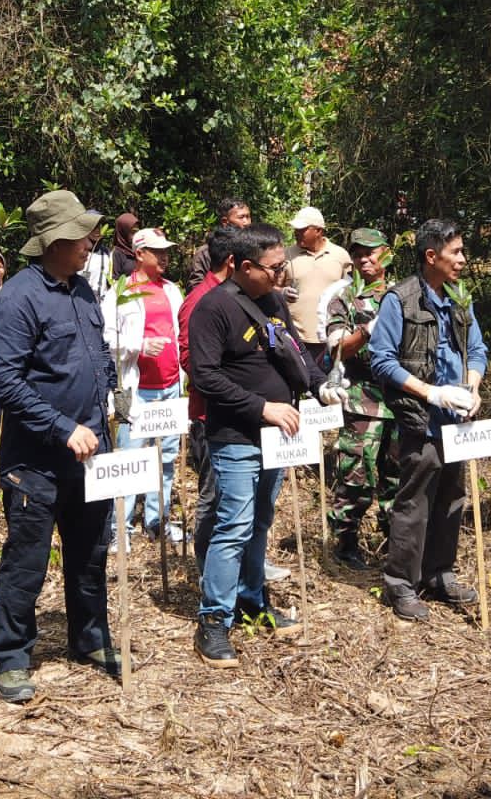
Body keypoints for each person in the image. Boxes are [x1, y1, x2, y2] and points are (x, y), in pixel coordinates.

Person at [0, 190, 119, 704]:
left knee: (90, 554)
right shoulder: (18, 298)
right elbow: (4, 382)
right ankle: (11, 658)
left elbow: (98, 353)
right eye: (81, 235)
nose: (90, 242)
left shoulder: (83, 291)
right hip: (35, 462)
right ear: (53, 241)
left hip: (92, 452)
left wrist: (109, 398)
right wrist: (62, 426)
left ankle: (90, 640)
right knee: (27, 561)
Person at [189, 223, 326, 667]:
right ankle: (213, 620)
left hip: (277, 437)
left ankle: (252, 601)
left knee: (261, 520)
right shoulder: (212, 309)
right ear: (244, 266)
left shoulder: (270, 301)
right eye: (273, 268)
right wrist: (261, 407)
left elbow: (294, 350)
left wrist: (322, 386)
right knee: (234, 523)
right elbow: (206, 376)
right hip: (235, 436)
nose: (281, 275)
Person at [367, 220, 486, 619]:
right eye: (456, 252)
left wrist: (472, 387)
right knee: (415, 503)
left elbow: (477, 349)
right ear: (431, 256)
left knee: (453, 497)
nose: (463, 260)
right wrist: (431, 392)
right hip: (421, 419)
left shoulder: (460, 299)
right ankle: (401, 583)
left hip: (458, 420)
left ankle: (440, 573)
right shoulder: (399, 300)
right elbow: (381, 361)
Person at [319, 228, 402, 571]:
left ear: (386, 253)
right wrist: (368, 330)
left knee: (397, 475)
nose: (365, 259)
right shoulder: (343, 298)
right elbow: (337, 349)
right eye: (358, 254)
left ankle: (393, 541)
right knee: (356, 474)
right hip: (362, 399)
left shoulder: (402, 294)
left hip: (399, 399)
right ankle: (346, 542)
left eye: (371, 252)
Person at [103, 228, 185, 543]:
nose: (165, 256)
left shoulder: (172, 290)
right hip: (133, 389)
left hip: (170, 386)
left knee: (165, 456)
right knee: (128, 456)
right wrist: (139, 345)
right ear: (139, 254)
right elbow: (107, 337)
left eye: (166, 251)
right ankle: (119, 528)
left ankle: (157, 520)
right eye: (157, 251)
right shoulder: (121, 291)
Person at [178, 225, 237, 568]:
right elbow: (190, 361)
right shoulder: (199, 300)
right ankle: (206, 568)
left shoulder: (237, 295)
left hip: (240, 414)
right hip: (210, 414)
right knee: (213, 495)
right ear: (232, 261)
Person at [283, 207, 352, 362]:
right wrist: (282, 292)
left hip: (330, 337)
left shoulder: (340, 255)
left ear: (318, 231)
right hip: (295, 337)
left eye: (302, 229)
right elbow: (271, 287)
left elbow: (351, 291)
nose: (296, 233)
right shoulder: (286, 255)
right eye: (296, 229)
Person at [187, 198, 251, 289]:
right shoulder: (206, 252)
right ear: (225, 222)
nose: (247, 222)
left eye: (248, 217)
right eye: (241, 217)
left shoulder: (254, 248)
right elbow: (195, 286)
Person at [109, 213, 139, 279]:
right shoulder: (117, 253)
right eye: (132, 232)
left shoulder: (138, 250)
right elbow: (114, 281)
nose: (135, 235)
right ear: (123, 232)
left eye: (137, 232)